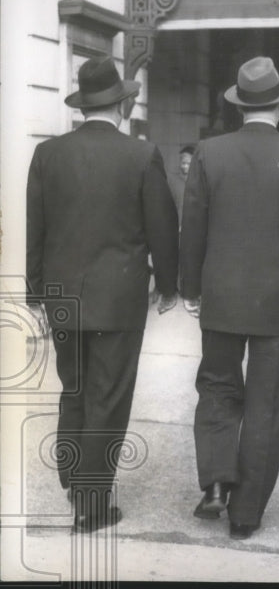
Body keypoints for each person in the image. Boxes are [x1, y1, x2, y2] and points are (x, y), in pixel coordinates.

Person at [179, 56, 279, 540]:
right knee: (266, 405)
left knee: (217, 389)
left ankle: (215, 483)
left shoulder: (208, 154)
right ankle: (246, 513)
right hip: (275, 303)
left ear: (238, 106)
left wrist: (190, 289)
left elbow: (194, 230)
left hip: (222, 298)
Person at [26, 55, 179, 533]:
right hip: (118, 299)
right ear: (122, 103)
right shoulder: (141, 155)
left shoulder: (47, 154)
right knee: (108, 397)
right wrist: (169, 286)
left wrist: (37, 295)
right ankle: (91, 507)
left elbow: (37, 229)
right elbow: (163, 229)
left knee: (74, 390)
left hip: (62, 298)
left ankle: (74, 480)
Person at [167, 144, 196, 219]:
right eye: (183, 163)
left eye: (188, 163)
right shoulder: (172, 181)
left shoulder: (199, 182)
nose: (185, 166)